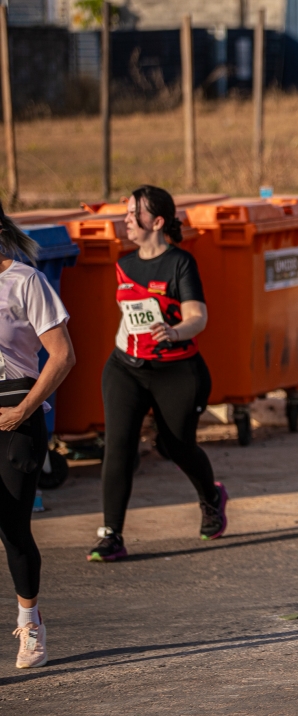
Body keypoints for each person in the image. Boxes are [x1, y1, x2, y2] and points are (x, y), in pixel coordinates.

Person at [88, 185, 227, 562]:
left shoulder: (180, 263)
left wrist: (175, 331)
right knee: (118, 445)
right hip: (125, 368)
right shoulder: (124, 265)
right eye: (127, 212)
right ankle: (111, 534)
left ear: (158, 221)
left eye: (135, 213)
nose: (127, 219)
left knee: (175, 446)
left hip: (177, 370)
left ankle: (211, 497)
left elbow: (197, 316)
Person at [0, 203, 76, 667]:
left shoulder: (25, 281)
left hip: (17, 414)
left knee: (12, 526)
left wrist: (23, 411)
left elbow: (62, 355)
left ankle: (30, 623)